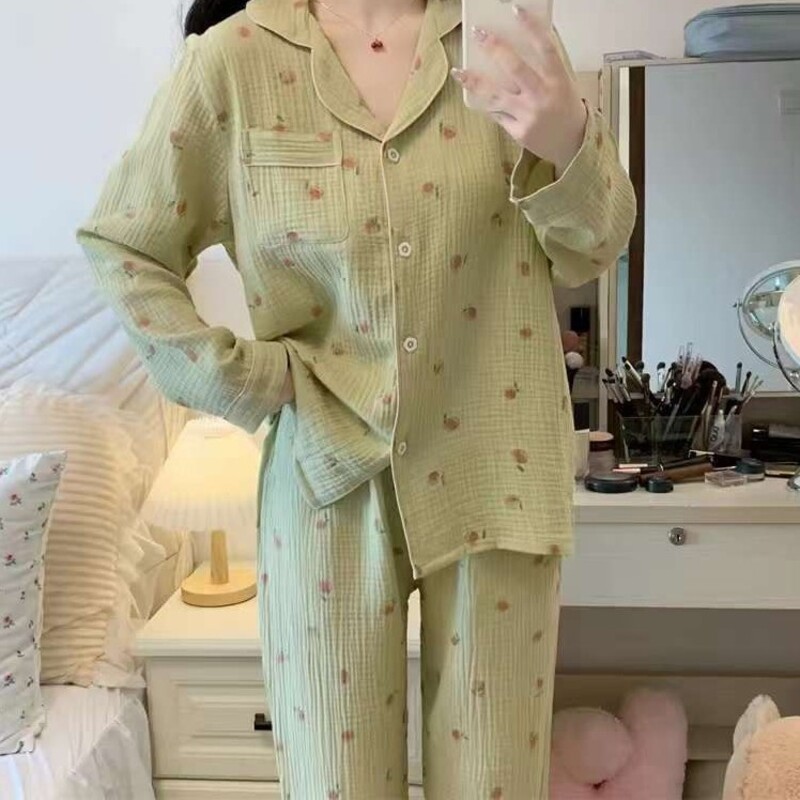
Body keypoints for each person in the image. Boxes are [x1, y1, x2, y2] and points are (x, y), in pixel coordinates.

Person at [76, 0, 635, 796]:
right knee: (332, 782)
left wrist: (566, 138)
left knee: (496, 781)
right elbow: (124, 244)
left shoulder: (497, 38)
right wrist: (244, 376)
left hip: (496, 463)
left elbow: (597, 246)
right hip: (323, 472)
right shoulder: (234, 60)